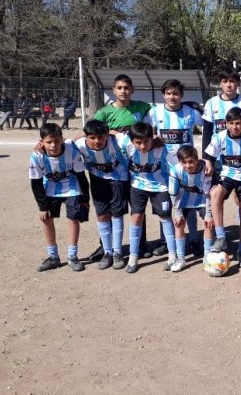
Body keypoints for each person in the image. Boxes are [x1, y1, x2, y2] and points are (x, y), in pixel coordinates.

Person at [89, 74, 153, 261]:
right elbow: (93, 133)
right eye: (119, 88)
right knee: (108, 208)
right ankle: (105, 247)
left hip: (136, 167)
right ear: (113, 90)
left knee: (137, 207)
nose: (123, 91)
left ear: (132, 90)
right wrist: (110, 131)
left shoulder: (142, 107)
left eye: (126, 87)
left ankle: (140, 244)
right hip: (112, 169)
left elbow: (156, 120)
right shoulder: (104, 112)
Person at [148, 78, 204, 255]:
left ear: (182, 95)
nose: (172, 97)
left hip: (187, 167)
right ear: (163, 94)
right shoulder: (154, 112)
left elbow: (207, 126)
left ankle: (194, 239)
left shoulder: (190, 112)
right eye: (169, 93)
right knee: (166, 203)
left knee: (190, 202)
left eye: (176, 93)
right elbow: (145, 132)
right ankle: (166, 241)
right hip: (163, 168)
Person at [115, 121, 177, 274]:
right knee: (136, 218)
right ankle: (133, 257)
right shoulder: (126, 143)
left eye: (146, 141)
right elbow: (112, 133)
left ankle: (172, 255)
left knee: (165, 217)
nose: (142, 146)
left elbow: (177, 163)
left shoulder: (161, 148)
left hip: (160, 187)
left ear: (152, 138)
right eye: (138, 142)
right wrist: (80, 136)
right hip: (138, 187)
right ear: (131, 141)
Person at [29, 123, 90, 272]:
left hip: (72, 188)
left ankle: (72, 256)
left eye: (57, 141)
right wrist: (42, 207)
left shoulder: (72, 152)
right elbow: (35, 183)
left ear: (62, 139)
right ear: (41, 142)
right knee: (46, 218)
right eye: (49, 142)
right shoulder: (37, 156)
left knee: (73, 219)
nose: (53, 145)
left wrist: (85, 200)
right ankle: (53, 257)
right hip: (50, 188)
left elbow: (82, 177)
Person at [205, 107, 241, 268]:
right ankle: (221, 238)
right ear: (226, 124)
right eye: (232, 123)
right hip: (227, 175)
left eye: (239, 123)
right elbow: (209, 155)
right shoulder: (220, 136)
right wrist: (208, 162)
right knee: (215, 194)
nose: (235, 127)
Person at [73, 119, 130, 271]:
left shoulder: (117, 140)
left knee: (117, 214)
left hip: (118, 178)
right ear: (86, 137)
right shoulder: (78, 145)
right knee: (102, 214)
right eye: (92, 138)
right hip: (97, 179)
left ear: (107, 135)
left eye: (100, 137)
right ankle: (107, 252)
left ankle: (118, 252)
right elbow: (60, 144)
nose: (97, 141)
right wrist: (39, 146)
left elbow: (139, 140)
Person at [168, 145, 214, 272]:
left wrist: (209, 214)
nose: (188, 165)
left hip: (202, 201)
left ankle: (207, 255)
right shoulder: (176, 170)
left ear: (197, 160)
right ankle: (181, 258)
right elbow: (173, 193)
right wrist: (177, 213)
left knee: (209, 223)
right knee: (179, 224)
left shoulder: (206, 170)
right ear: (179, 162)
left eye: (191, 162)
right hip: (182, 201)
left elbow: (208, 193)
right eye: (184, 162)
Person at [202, 68, 241, 150]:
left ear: (238, 83)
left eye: (232, 81)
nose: (228, 85)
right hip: (218, 154)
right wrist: (206, 155)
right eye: (225, 81)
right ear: (220, 84)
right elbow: (207, 132)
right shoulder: (211, 103)